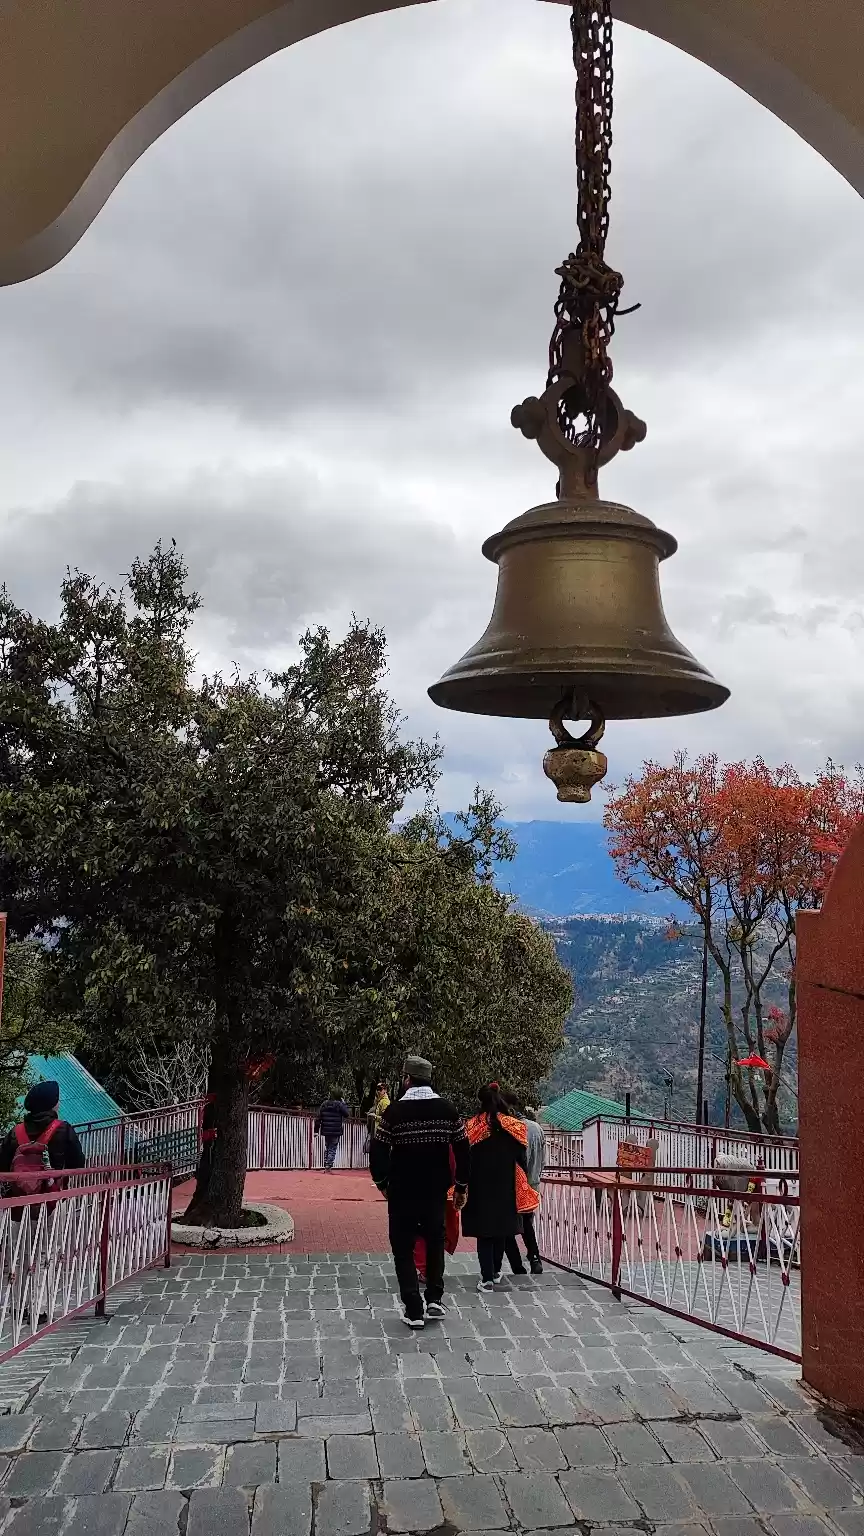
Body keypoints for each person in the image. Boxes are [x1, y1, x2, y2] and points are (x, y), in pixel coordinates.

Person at [370, 1055, 469, 1328]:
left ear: (407, 1080)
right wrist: (461, 1185)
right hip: (435, 1191)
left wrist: (382, 1183)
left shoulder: (394, 1113)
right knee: (435, 1241)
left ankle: (413, 1309)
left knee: (403, 1248)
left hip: (402, 1191)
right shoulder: (448, 1110)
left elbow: (377, 1151)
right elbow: (463, 1148)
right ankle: (435, 1298)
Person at [462, 1083, 540, 1291]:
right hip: (507, 1186)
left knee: (484, 1233)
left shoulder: (472, 1126)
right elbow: (521, 1159)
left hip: (479, 1186)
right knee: (500, 1231)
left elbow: (464, 1158)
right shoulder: (514, 1126)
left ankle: (486, 1277)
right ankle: (496, 1271)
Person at [0, 1080, 86, 1209]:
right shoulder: (63, 1129)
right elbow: (78, 1164)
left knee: (19, 1229)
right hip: (52, 1201)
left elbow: (2, 1164)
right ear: (51, 1104)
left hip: (19, 1204)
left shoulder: (15, 1132)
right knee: (54, 1229)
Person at [502, 1098, 545, 1276]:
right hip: (533, 1183)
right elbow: (543, 1159)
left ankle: (517, 1265)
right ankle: (535, 1258)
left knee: (507, 1227)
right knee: (527, 1224)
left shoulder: (512, 1129)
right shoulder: (537, 1128)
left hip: (515, 1185)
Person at [315, 1090, 351, 1171]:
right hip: (336, 1130)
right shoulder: (339, 1104)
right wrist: (344, 1103)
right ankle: (328, 1165)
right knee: (332, 1148)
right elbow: (347, 1114)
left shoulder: (324, 1104)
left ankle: (326, 1163)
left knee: (327, 1147)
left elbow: (318, 1117)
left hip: (326, 1129)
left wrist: (316, 1130)